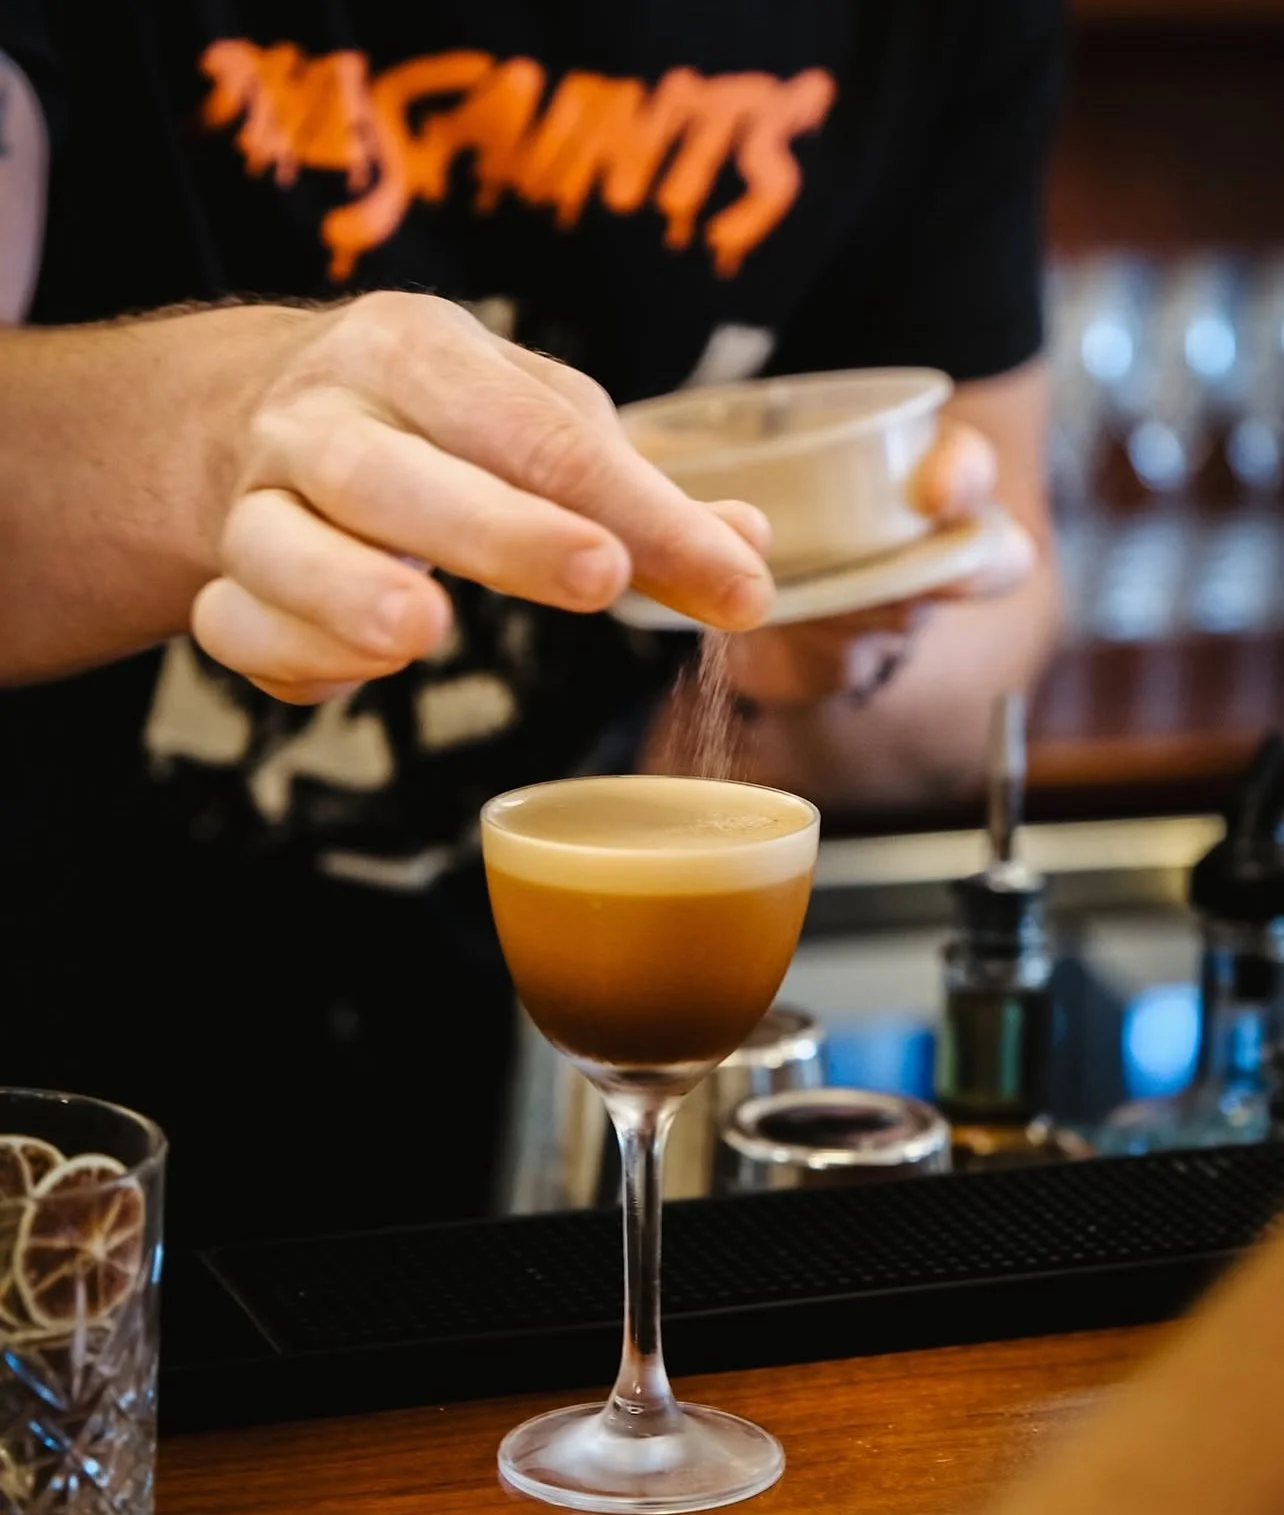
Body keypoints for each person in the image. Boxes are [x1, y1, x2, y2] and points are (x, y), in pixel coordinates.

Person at [0, 1, 1063, 1245]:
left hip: (516, 1098)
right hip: (59, 1070)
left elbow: (1007, 613)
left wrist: (846, 634)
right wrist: (203, 440)